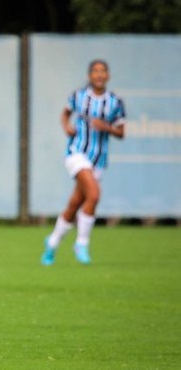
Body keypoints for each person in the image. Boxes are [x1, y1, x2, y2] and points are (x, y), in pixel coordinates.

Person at [41, 60, 125, 266]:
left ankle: (52, 244)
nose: (99, 75)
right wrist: (66, 126)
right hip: (76, 153)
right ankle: (81, 242)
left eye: (102, 71)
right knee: (94, 195)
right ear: (90, 76)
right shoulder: (79, 96)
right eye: (95, 71)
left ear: (108, 76)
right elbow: (65, 114)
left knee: (75, 204)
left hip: (98, 160)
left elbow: (121, 132)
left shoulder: (115, 102)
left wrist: (106, 127)